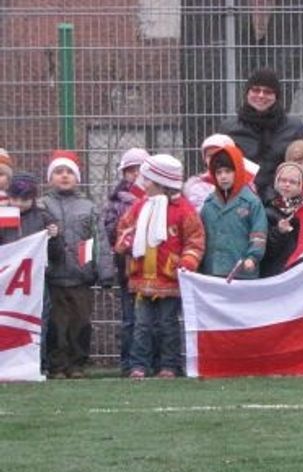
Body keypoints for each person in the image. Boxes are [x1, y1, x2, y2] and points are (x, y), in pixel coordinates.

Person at [115, 154, 205, 378]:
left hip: (170, 278)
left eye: (147, 181)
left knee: (168, 325)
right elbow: (123, 228)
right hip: (141, 278)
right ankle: (139, 365)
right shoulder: (139, 207)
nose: (143, 185)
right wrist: (126, 241)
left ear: (161, 183)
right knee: (142, 325)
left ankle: (169, 365)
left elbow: (195, 239)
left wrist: (187, 262)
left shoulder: (183, 210)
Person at [41, 150, 115, 378]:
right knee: (55, 323)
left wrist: (104, 272)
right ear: (50, 178)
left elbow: (100, 240)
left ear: (77, 177)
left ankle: (77, 364)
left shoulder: (89, 207)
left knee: (81, 322)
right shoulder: (42, 206)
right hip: (53, 276)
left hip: (81, 276)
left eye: (69, 172)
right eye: (58, 172)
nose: (64, 176)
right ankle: (56, 365)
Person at [221, 67, 303, 201]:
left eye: (267, 92)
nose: (261, 95)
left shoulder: (293, 128)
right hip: (240, 199)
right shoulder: (229, 128)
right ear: (247, 93)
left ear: (276, 96)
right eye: (255, 90)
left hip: (283, 199)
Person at [100, 146, 148, 374]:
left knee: (155, 317)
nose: (136, 174)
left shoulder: (159, 199)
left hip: (156, 267)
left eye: (141, 169)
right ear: (124, 174)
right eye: (131, 170)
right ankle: (128, 362)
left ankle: (155, 360)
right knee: (130, 318)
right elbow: (110, 231)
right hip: (127, 268)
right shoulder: (116, 203)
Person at [199, 141, 268, 280]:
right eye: (218, 172)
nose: (223, 176)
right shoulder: (208, 205)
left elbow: (259, 234)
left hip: (242, 272)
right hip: (212, 272)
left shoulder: (251, 202)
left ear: (238, 171)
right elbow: (200, 237)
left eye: (228, 171)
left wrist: (253, 257)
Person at [260, 161, 303, 278]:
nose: (287, 184)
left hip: (298, 271)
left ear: (300, 186)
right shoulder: (265, 210)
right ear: (276, 182)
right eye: (283, 180)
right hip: (273, 273)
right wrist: (279, 232)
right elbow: (264, 250)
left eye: (292, 182)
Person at [183, 134, 232, 211]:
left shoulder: (245, 184)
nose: (213, 159)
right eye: (209, 156)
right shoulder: (197, 186)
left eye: (218, 155)